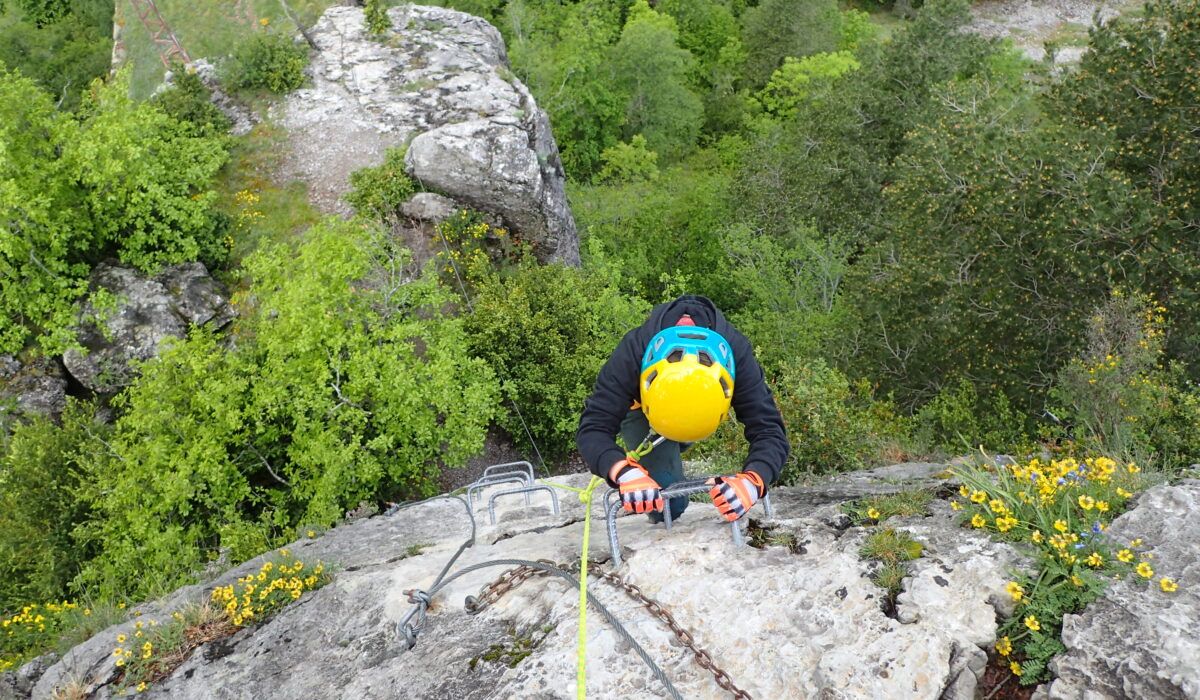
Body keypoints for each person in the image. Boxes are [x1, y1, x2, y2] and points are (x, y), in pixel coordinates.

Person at [576, 295, 788, 522]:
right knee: (668, 506)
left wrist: (753, 481)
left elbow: (769, 430)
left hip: (698, 408)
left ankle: (673, 450)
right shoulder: (634, 350)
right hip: (642, 412)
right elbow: (593, 427)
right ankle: (664, 456)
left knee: (670, 470)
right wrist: (623, 472)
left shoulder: (736, 354)